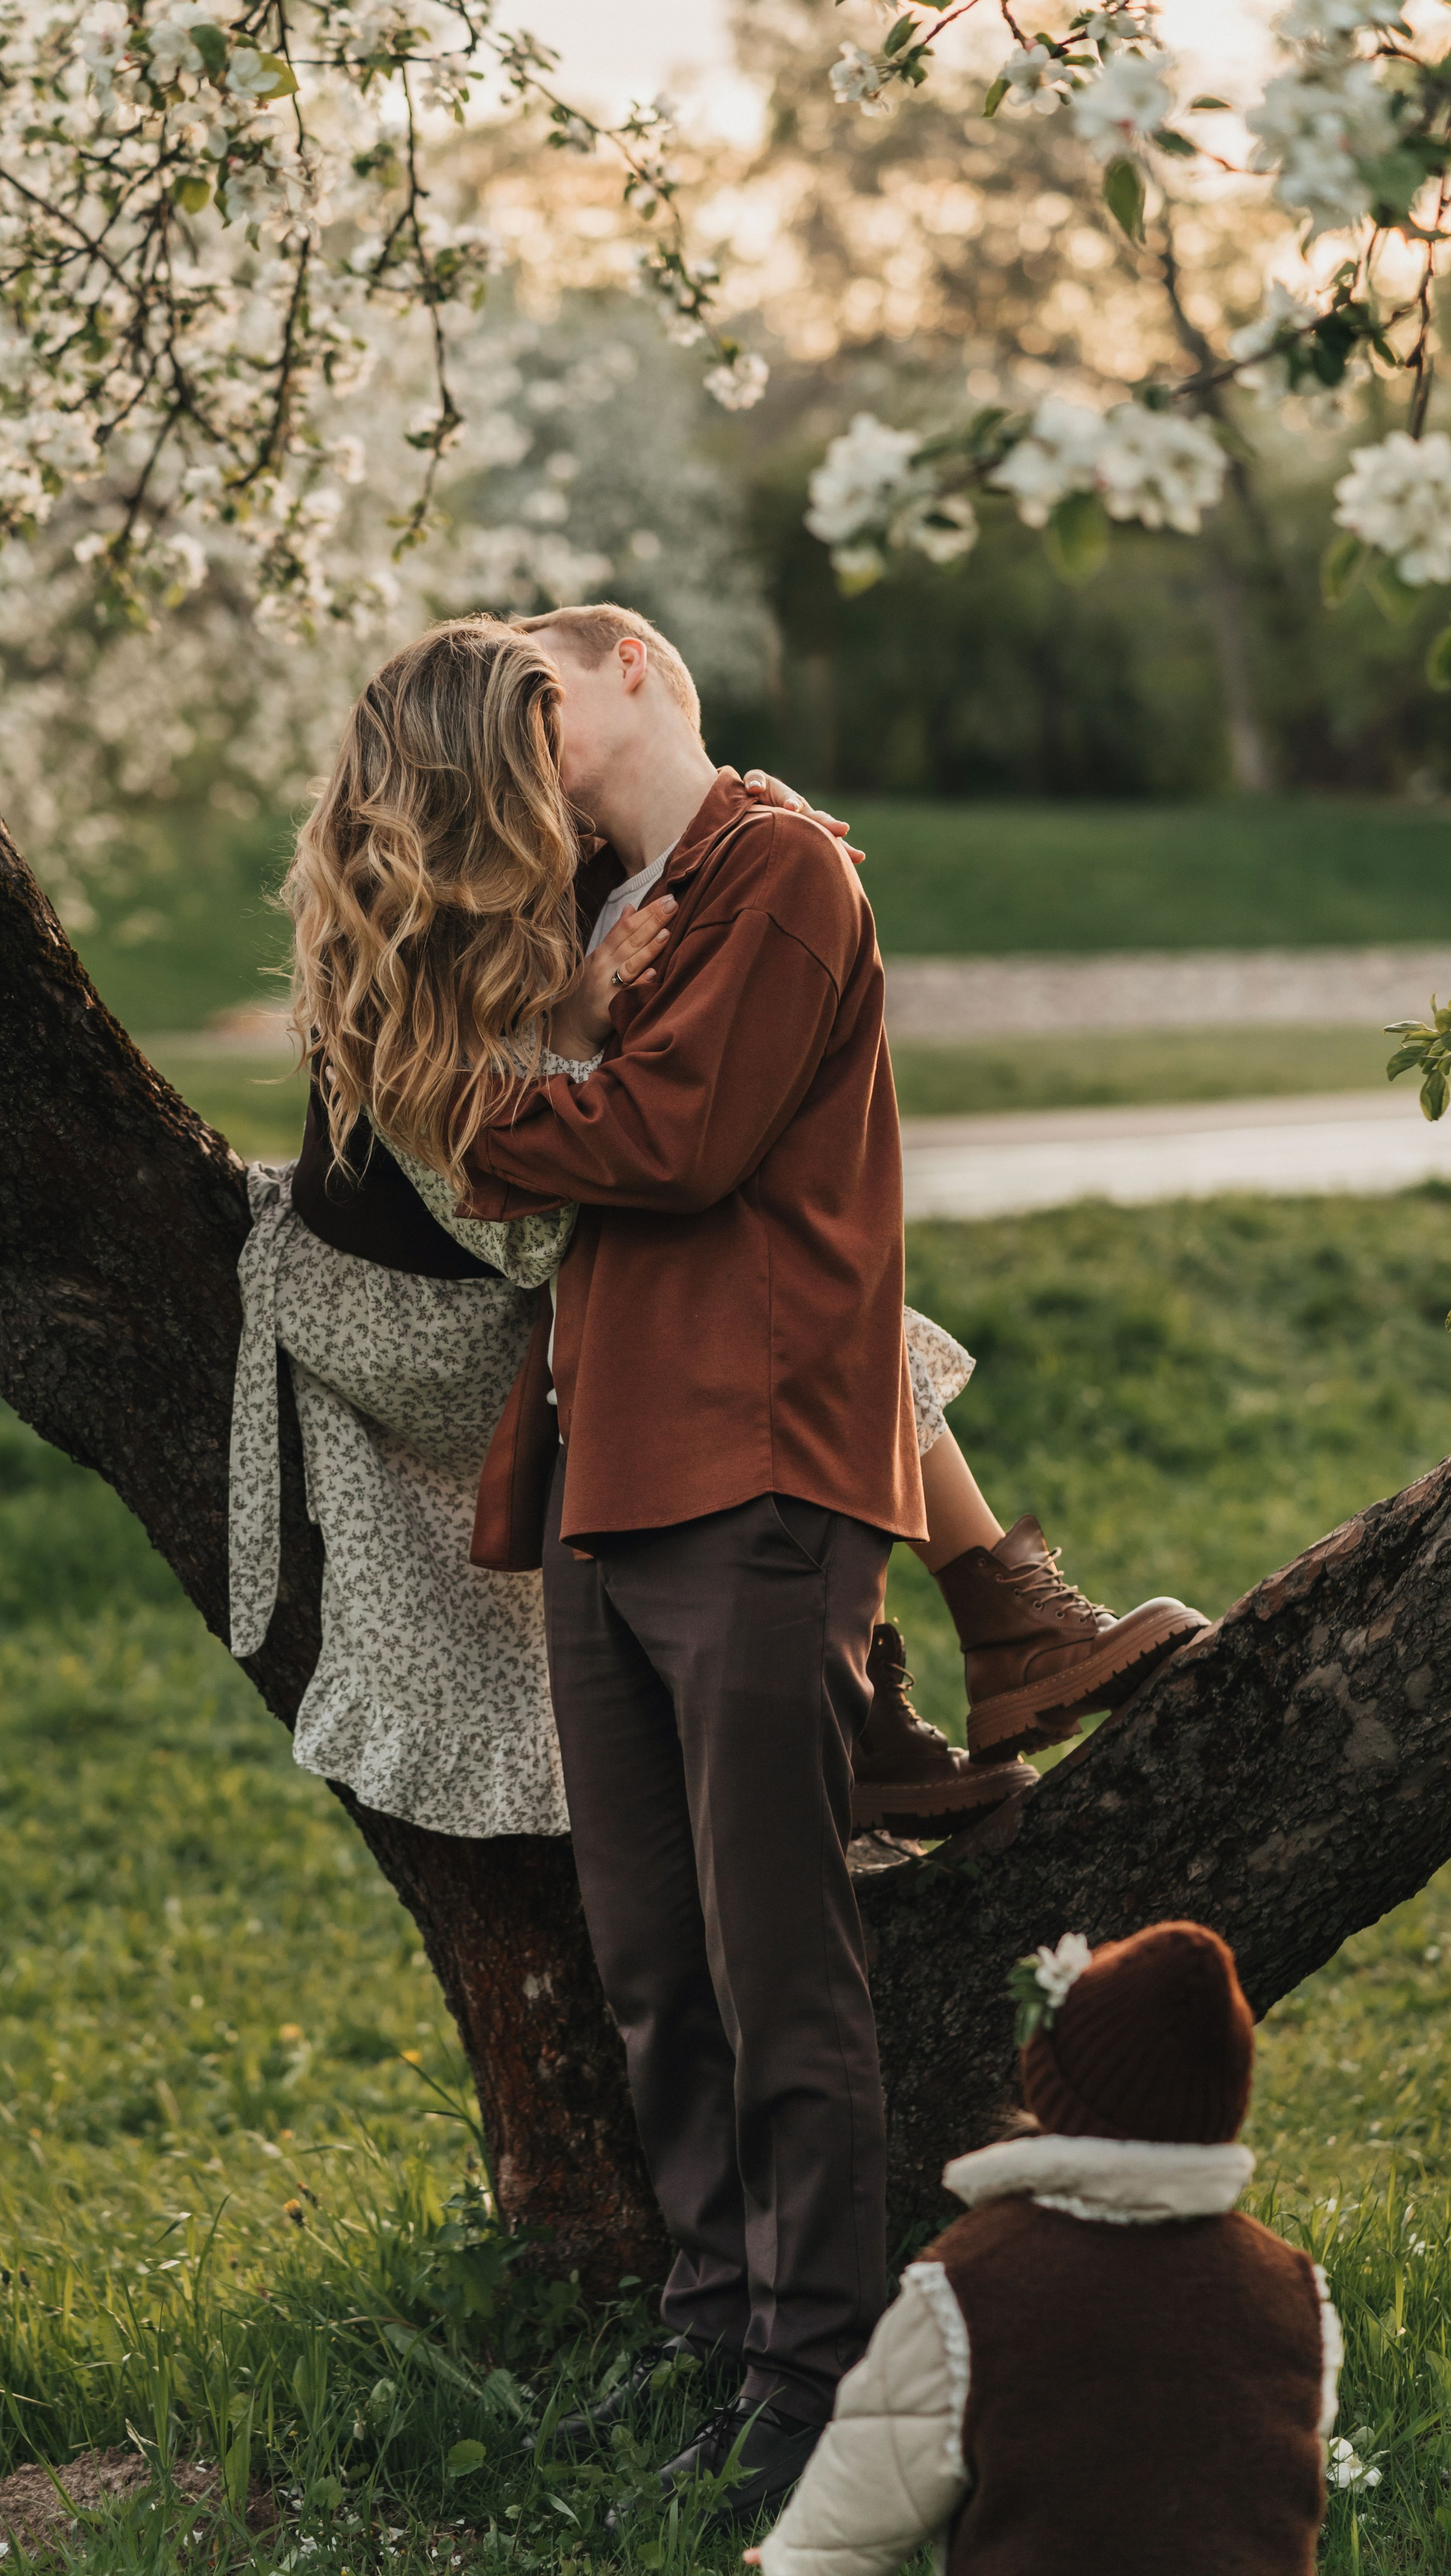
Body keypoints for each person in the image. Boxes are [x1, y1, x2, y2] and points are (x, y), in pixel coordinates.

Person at [447, 604, 1206, 2521]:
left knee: (778, 1961)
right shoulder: (607, 914)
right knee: (653, 1964)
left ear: (637, 670)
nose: (519, 737)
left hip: (759, 1474)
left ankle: (816, 2388)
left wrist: (488, 1110)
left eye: (539, 691)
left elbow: (681, 1140)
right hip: (604, 1491)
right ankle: (714, 2347)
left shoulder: (774, 868)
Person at [747, 1921, 1342, 2575]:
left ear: (1051, 2085)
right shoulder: (1292, 2290)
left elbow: (864, 2499)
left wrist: (797, 2557)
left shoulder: (971, 2281)